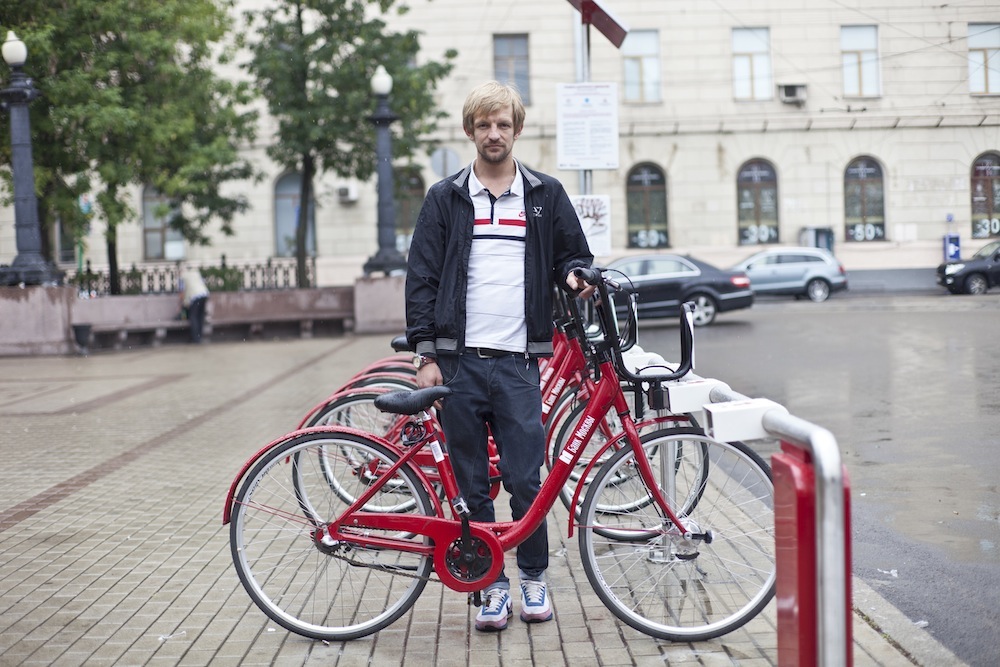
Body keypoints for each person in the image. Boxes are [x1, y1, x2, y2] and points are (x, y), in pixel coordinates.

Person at [405, 81, 595, 632]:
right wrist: (426, 353)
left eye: (503, 124)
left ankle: (534, 576)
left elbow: (571, 255)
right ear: (470, 131)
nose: (494, 134)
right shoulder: (445, 198)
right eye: (484, 125)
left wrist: (575, 275)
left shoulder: (545, 195)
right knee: (470, 484)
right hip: (458, 363)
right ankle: (491, 587)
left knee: (525, 479)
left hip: (517, 364)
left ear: (516, 129)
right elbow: (421, 278)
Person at [179, 264, 210, 343]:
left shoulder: (182, 277)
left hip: (195, 296)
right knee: (200, 316)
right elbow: (202, 283)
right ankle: (199, 336)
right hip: (204, 294)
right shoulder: (195, 273)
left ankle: (196, 338)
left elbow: (181, 292)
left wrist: (182, 303)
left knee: (193, 317)